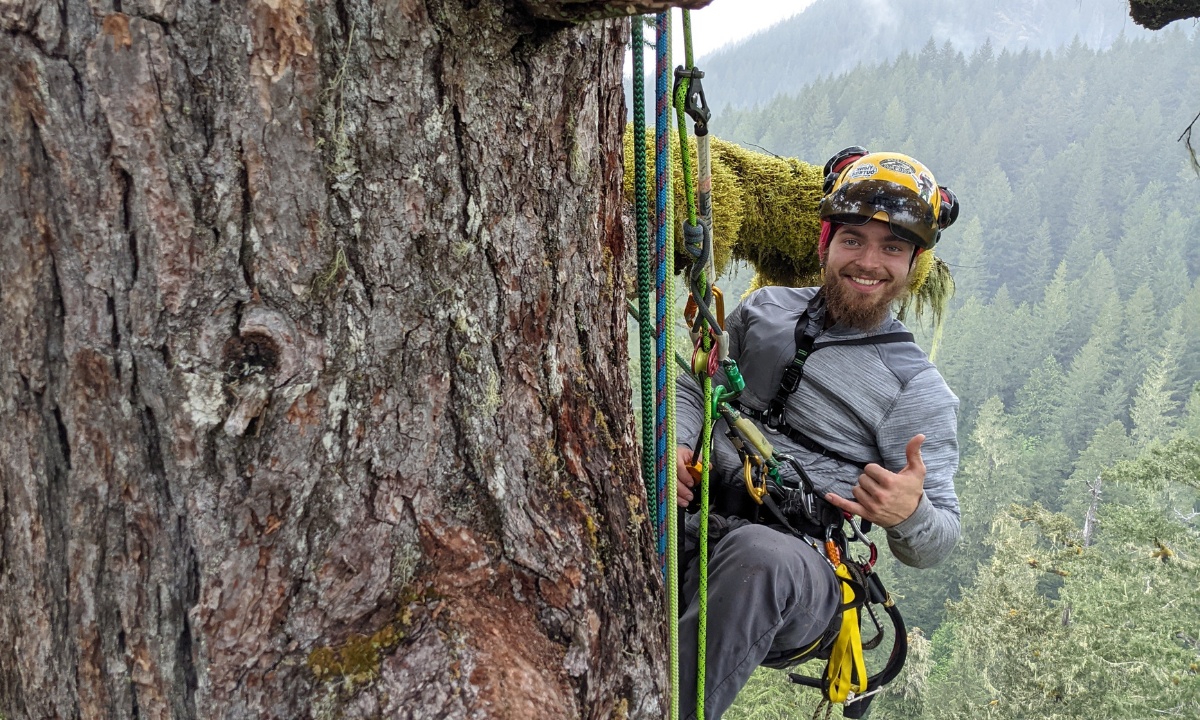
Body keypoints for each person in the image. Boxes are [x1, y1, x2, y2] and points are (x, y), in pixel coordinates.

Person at [673, 149, 963, 719]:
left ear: (913, 265)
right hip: (696, 517)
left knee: (760, 558)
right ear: (825, 243)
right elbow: (696, 387)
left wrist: (908, 513)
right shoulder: (765, 311)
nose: (869, 262)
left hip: (797, 567)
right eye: (853, 239)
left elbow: (940, 538)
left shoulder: (915, 387)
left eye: (893, 248)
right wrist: (678, 445)